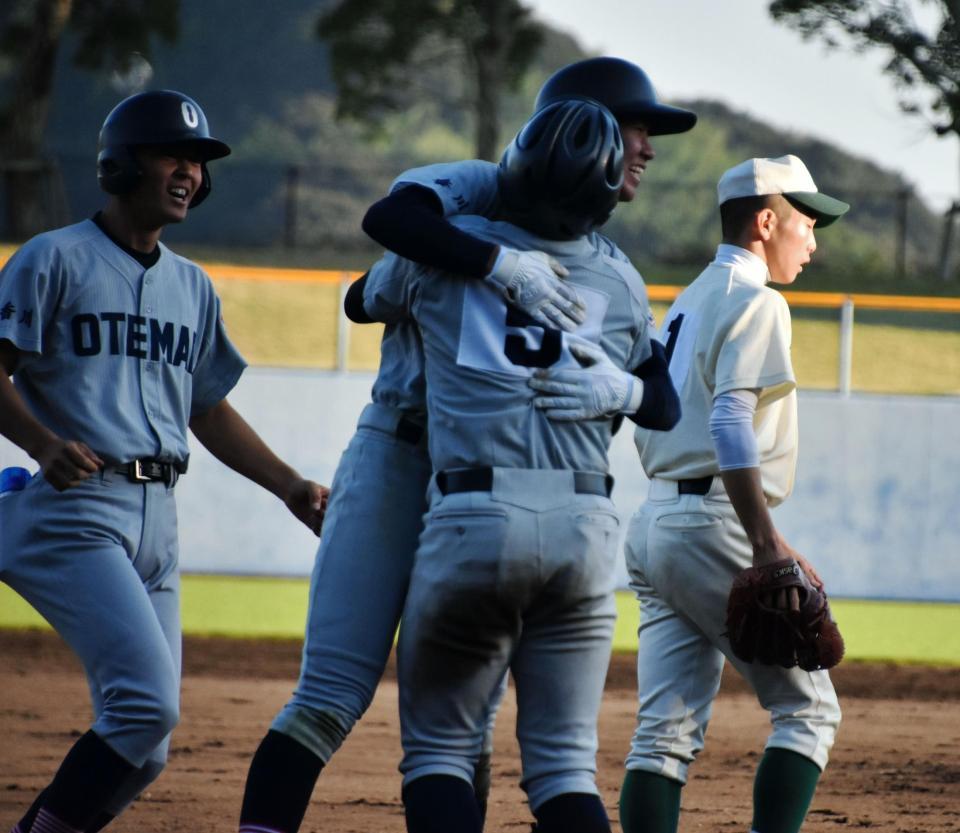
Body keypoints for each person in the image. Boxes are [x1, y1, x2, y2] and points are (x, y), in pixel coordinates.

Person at [235, 57, 685, 833]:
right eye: (637, 128)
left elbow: (360, 294)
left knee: (458, 731)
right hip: (403, 453)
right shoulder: (482, 201)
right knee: (333, 695)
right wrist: (491, 262)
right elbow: (387, 230)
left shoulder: (587, 256)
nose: (645, 148)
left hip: (477, 480)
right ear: (579, 129)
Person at [0, 90, 328, 833]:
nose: (188, 172)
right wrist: (40, 443)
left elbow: (207, 408)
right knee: (146, 705)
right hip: (76, 509)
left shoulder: (192, 286)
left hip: (160, 517)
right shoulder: (53, 259)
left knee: (147, 747)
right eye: (171, 155)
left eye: (198, 161)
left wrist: (289, 487)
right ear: (122, 165)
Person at [360, 98, 657, 833]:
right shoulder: (622, 283)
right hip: (586, 527)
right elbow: (665, 405)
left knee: (438, 752)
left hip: (473, 515)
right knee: (563, 767)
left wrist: (485, 260)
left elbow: (360, 295)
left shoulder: (448, 246)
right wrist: (624, 387)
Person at [616, 154, 850, 833]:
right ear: (767, 220)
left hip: (657, 518)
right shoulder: (757, 301)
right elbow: (727, 422)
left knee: (661, 735)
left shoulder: (687, 299)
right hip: (710, 519)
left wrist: (769, 537)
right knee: (809, 712)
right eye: (808, 221)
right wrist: (765, 543)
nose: (815, 239)